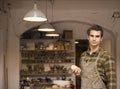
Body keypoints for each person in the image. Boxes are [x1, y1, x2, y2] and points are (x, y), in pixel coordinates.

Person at [71, 25, 116, 89]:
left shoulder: (106, 56)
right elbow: (84, 76)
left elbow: (112, 82)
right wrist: (78, 73)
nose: (94, 39)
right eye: (92, 36)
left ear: (101, 39)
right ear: (88, 37)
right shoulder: (83, 55)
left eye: (97, 36)